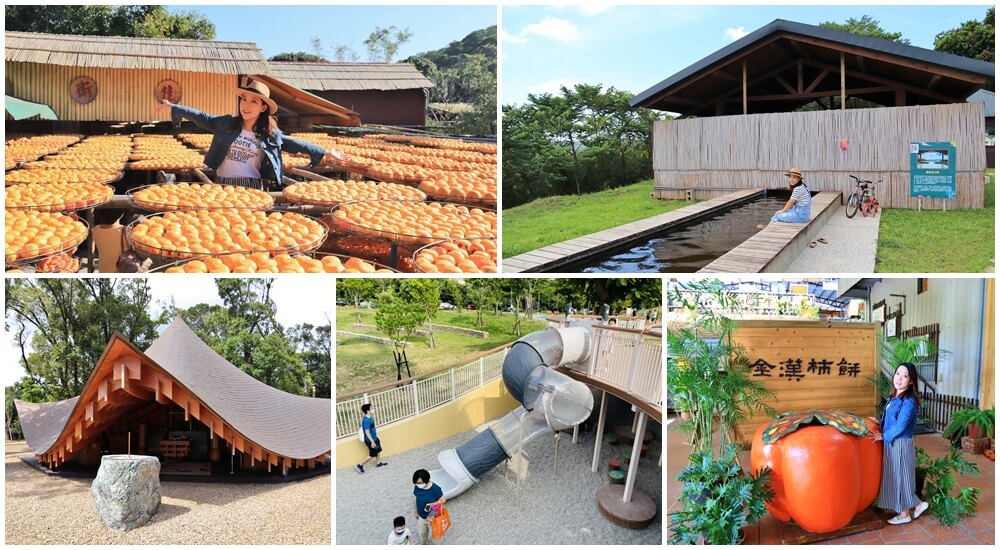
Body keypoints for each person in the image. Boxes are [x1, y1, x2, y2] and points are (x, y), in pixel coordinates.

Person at [153, 79, 347, 190]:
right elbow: (202, 116)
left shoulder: (269, 134)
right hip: (223, 184)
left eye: (253, 101)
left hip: (252, 186)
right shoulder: (226, 124)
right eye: (244, 99)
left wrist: (326, 151)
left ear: (263, 107)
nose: (245, 105)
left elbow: (293, 143)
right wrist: (174, 107)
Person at [869, 362, 928, 525]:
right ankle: (910, 510)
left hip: (900, 443)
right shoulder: (894, 397)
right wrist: (879, 422)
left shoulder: (909, 401)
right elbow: (892, 420)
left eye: (905, 376)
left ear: (911, 381)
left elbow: (901, 425)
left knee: (901, 477)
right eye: (897, 374)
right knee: (897, 476)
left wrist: (883, 436)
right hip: (893, 442)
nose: (899, 378)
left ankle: (909, 510)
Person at [413, 469, 445, 544]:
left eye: (420, 483)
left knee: (435, 535)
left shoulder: (435, 489)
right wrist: (416, 512)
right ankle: (423, 543)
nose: (418, 484)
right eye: (416, 483)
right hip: (422, 516)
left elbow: (443, 500)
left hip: (433, 517)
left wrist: (432, 504)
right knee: (422, 532)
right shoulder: (417, 487)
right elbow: (415, 499)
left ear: (426, 480)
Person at [356, 403, 387, 473]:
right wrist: (372, 442)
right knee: (372, 454)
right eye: (371, 408)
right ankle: (360, 465)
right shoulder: (366, 420)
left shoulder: (370, 417)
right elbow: (367, 432)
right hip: (370, 440)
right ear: (368, 411)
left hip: (375, 437)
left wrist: (374, 438)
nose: (373, 409)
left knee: (378, 450)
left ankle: (378, 463)